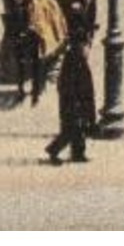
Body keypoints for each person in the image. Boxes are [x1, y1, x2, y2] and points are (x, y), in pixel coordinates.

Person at [45, 29, 96, 163]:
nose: (87, 49)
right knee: (70, 130)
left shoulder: (78, 59)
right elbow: (67, 85)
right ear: (78, 45)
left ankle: (78, 154)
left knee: (79, 130)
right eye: (85, 45)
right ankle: (53, 150)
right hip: (73, 102)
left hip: (79, 100)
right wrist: (76, 102)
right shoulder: (73, 60)